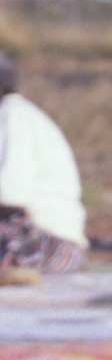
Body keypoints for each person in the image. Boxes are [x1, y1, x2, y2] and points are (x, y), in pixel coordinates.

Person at [0, 52, 88, 278]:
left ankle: (14, 268)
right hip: (51, 245)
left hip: (48, 244)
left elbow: (9, 195)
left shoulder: (12, 116)